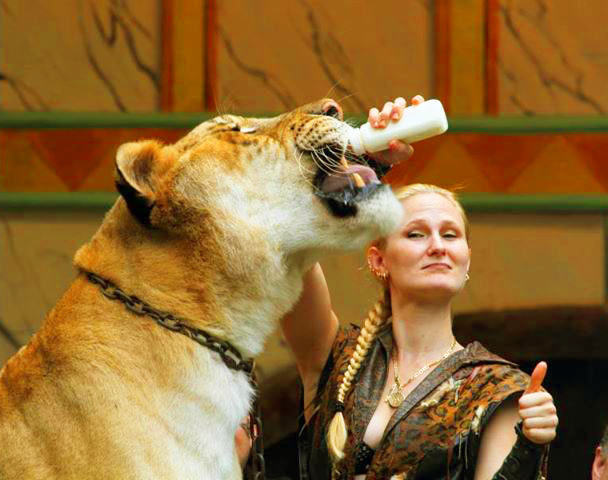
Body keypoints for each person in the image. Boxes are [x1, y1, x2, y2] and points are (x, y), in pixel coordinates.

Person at [281, 96, 558, 479]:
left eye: (450, 234)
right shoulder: (333, 357)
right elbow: (287, 244)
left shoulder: (499, 388)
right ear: (379, 260)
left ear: (466, 261)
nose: (438, 246)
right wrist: (362, 165)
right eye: (415, 233)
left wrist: (529, 443)